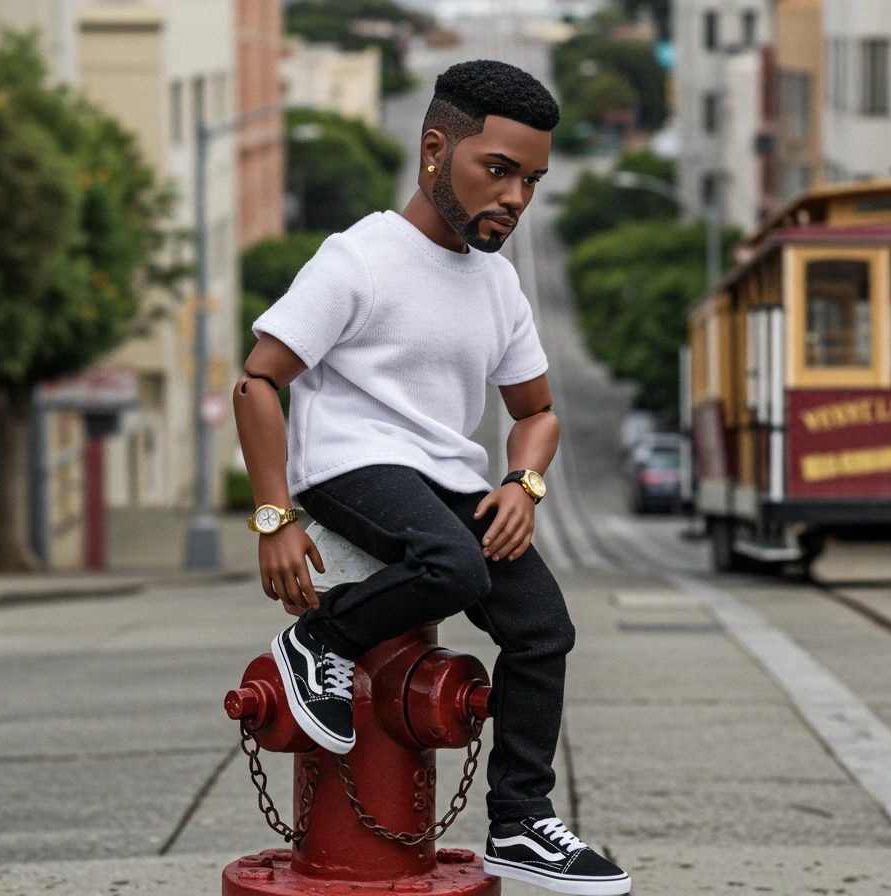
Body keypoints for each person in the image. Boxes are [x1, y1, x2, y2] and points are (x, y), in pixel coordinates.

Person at [231, 60, 631, 896]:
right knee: (453, 566)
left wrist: (524, 484)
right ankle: (319, 640)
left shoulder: (498, 284)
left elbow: (538, 410)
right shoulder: (359, 260)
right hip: (351, 463)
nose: (516, 198)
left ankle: (520, 822)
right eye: (498, 170)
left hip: (450, 478)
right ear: (435, 148)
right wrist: (275, 516)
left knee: (542, 626)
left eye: (531, 180)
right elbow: (258, 381)